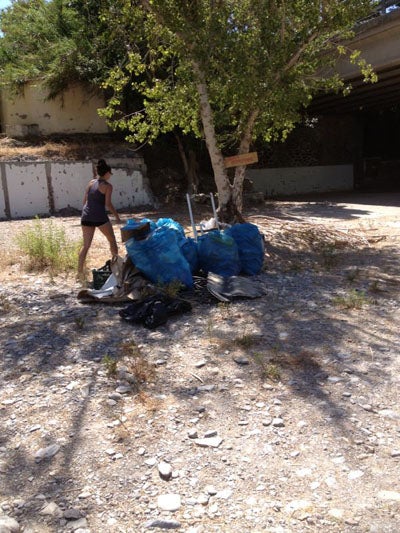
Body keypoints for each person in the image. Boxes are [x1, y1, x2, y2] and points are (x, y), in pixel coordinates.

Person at [78, 159, 122, 277]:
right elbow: (108, 204)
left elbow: (84, 201)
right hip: (99, 216)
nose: (110, 175)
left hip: (86, 216)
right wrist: (117, 217)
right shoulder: (108, 186)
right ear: (106, 173)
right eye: (110, 173)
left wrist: (87, 212)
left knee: (86, 246)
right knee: (112, 240)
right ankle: (116, 269)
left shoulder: (91, 183)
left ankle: (79, 274)